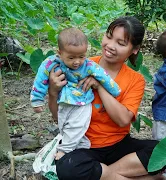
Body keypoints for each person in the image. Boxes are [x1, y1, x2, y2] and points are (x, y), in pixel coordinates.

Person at [48, 16, 165, 180]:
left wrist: (100, 86)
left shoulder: (135, 80)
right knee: (68, 167)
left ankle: (102, 174)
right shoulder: (78, 67)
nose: (110, 46)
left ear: (135, 49)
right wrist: (53, 93)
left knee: (162, 151)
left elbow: (123, 120)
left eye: (121, 43)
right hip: (84, 146)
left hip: (119, 146)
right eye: (109, 37)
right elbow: (57, 117)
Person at [30, 27, 121, 160]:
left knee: (77, 125)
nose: (77, 61)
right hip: (63, 101)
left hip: (82, 101)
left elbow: (103, 77)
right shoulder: (51, 63)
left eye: (81, 56)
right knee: (65, 126)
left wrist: (115, 90)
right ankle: (82, 143)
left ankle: (65, 150)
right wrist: (37, 100)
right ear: (59, 53)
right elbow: (40, 80)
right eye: (71, 57)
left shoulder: (89, 65)